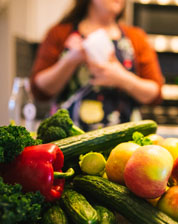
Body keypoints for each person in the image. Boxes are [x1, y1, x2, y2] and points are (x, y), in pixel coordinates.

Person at [30, 0, 164, 131]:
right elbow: (39, 90)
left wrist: (122, 79)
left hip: (124, 144)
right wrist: (70, 60)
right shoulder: (60, 33)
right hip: (68, 141)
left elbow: (155, 94)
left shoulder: (136, 37)